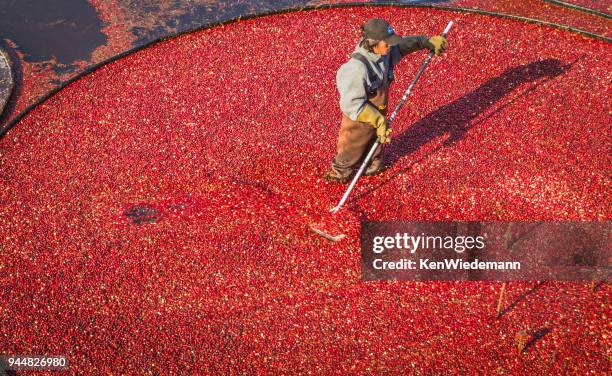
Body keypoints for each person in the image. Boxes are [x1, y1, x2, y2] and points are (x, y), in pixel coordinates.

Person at [323, 18, 447, 183]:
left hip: (379, 108)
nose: (390, 46)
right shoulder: (356, 69)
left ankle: (372, 165)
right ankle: (339, 173)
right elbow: (352, 104)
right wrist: (378, 120)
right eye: (386, 43)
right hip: (360, 117)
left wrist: (424, 41)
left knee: (376, 139)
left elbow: (402, 46)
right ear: (372, 43)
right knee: (353, 145)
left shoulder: (384, 52)